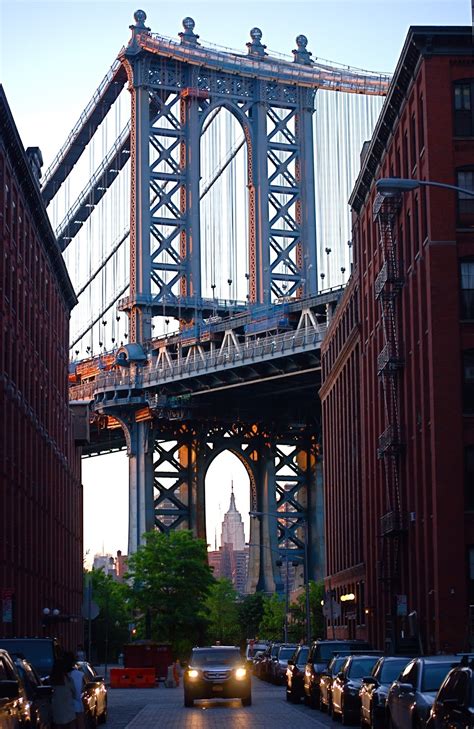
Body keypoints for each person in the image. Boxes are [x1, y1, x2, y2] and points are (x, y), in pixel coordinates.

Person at [49, 658, 76, 729]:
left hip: (57, 712)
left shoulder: (51, 681)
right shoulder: (68, 679)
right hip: (68, 710)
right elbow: (74, 693)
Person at [63, 652, 85, 729]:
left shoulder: (58, 676)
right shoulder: (79, 675)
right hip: (76, 706)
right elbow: (81, 690)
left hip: (62, 707)